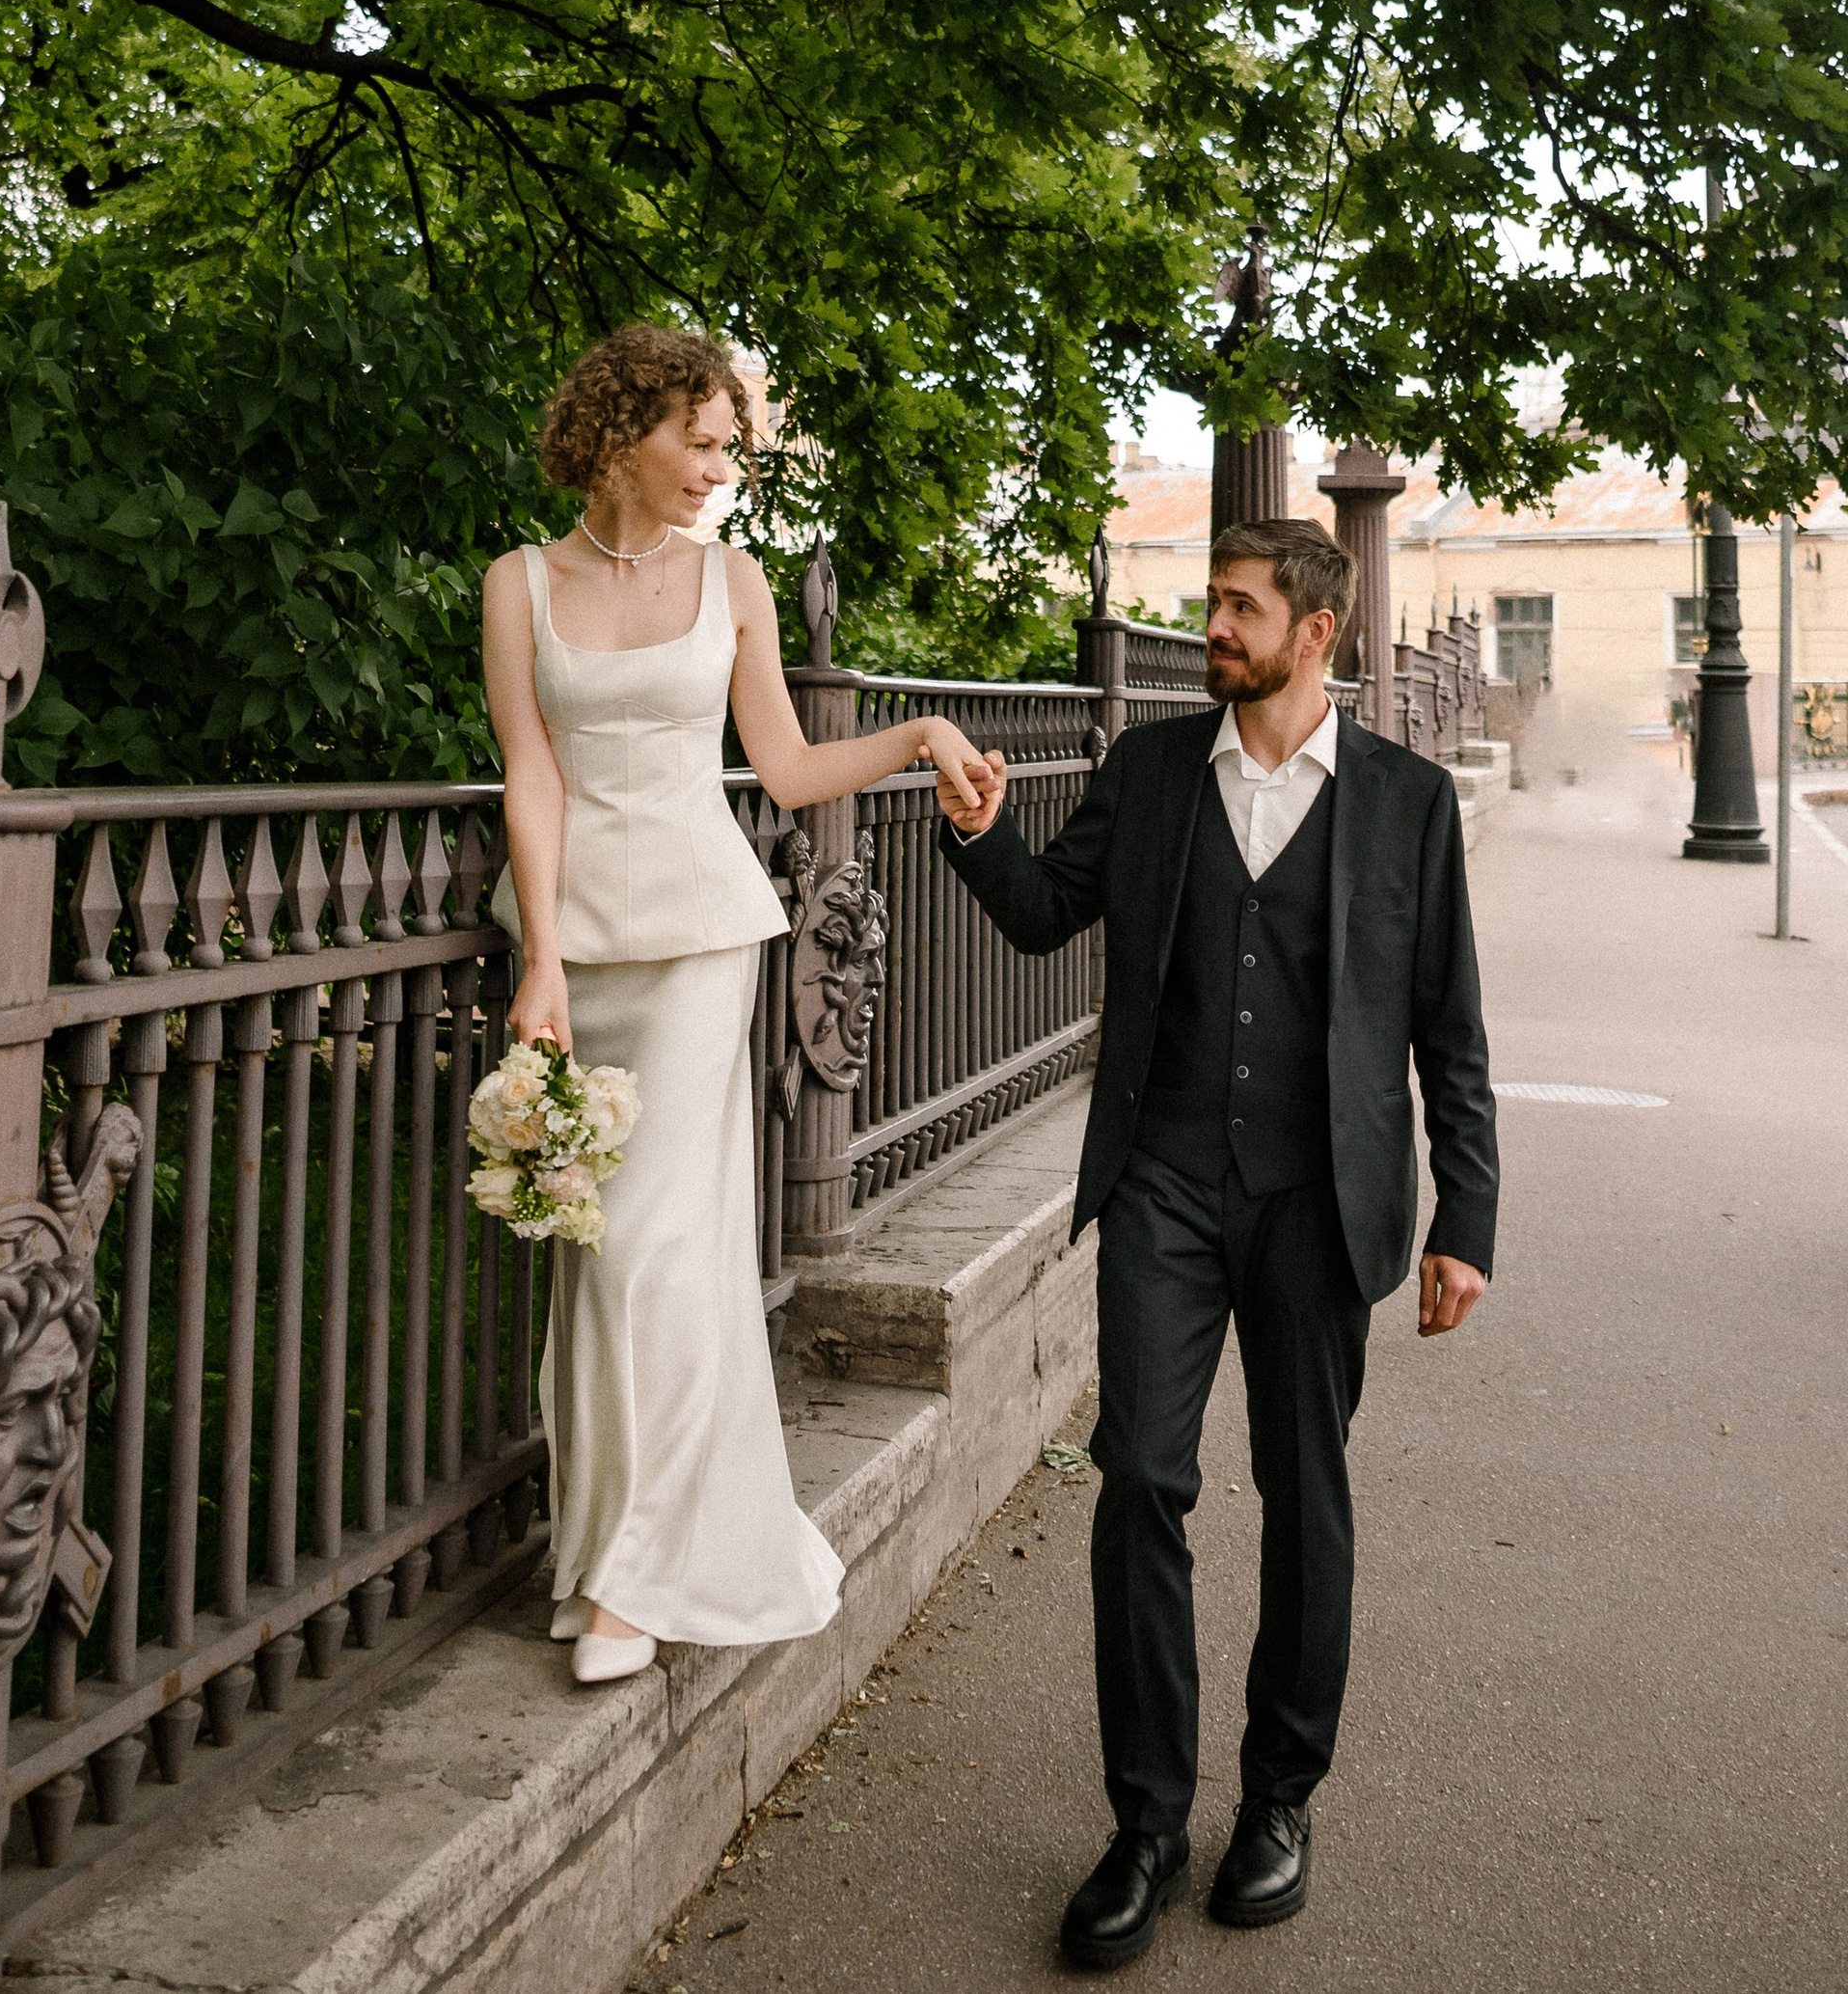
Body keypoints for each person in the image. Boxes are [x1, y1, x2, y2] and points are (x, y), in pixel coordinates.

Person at [929, 518, 1499, 1966]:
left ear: (1318, 632)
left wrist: (1465, 1220)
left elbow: (1450, 1032)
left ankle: (1279, 1803)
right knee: (1139, 1481)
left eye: (1240, 607)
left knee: (1306, 1498)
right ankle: (1144, 1821)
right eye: (1212, 604)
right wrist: (982, 831)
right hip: (1169, 1180)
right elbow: (1049, 915)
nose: (1214, 629)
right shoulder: (1150, 774)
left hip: (1323, 1196)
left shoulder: (1407, 802)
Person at [483, 321, 986, 1684]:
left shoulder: (740, 581)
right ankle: (602, 1554)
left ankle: (636, 1577)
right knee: (606, 1251)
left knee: (645, 1238)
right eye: (699, 441)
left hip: (707, 936)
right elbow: (531, 773)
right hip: (577, 944)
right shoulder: (518, 582)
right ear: (620, 432)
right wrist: (538, 956)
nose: (720, 465)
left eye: (729, 446)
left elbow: (787, 764)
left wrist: (924, 736)